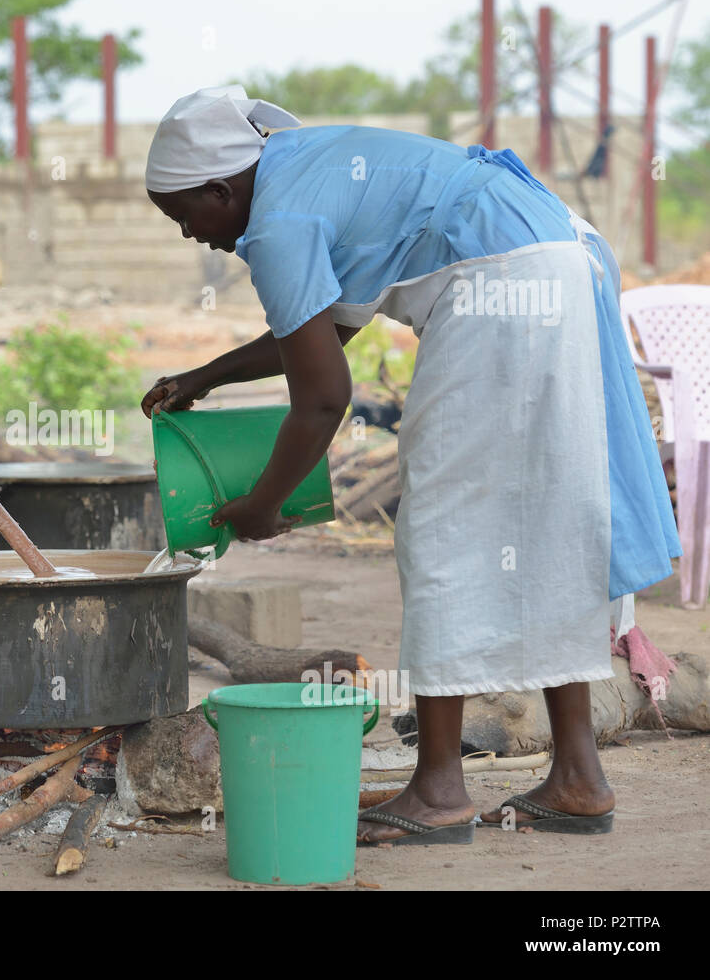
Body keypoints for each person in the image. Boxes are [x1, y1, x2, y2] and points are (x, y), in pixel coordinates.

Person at [140, 86, 680, 845]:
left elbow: (324, 398)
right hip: (555, 256)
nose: (192, 236)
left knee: (442, 527)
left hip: (497, 282)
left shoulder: (276, 223)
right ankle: (578, 777)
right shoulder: (300, 169)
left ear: (222, 189)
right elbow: (320, 331)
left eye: (184, 216)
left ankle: (437, 789)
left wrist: (265, 505)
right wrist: (208, 376)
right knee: (554, 522)